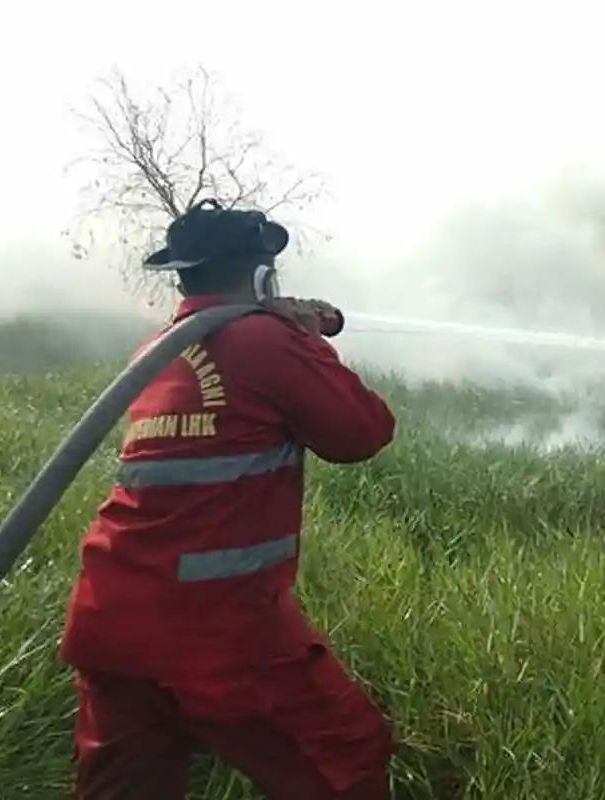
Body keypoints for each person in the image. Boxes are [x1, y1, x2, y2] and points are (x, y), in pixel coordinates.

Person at [58, 199, 398, 799]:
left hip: (111, 615)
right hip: (219, 628)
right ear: (264, 276)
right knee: (346, 757)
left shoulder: (157, 351)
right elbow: (362, 433)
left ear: (182, 278)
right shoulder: (267, 342)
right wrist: (307, 340)